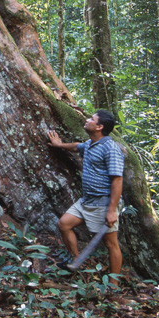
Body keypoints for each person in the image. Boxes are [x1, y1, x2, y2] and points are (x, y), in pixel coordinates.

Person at [47, 110, 124, 285]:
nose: (87, 120)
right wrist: (59, 145)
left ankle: (114, 286)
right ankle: (77, 261)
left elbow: (118, 180)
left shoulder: (111, 149)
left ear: (99, 126)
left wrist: (111, 211)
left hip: (103, 203)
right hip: (86, 200)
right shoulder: (91, 144)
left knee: (111, 244)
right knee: (64, 224)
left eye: (91, 119)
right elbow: (77, 146)